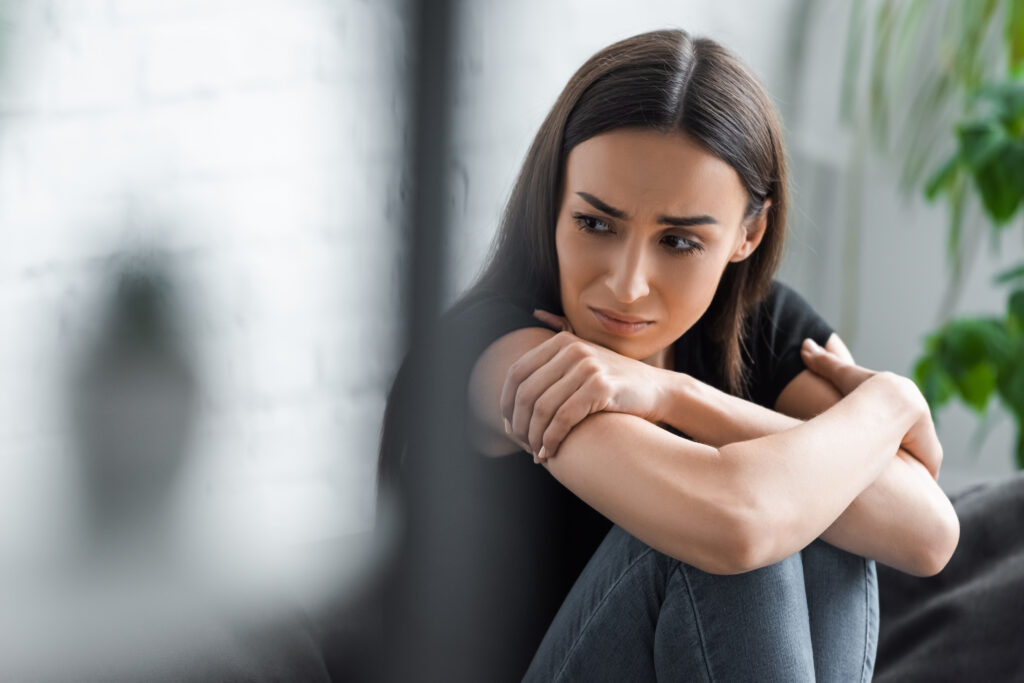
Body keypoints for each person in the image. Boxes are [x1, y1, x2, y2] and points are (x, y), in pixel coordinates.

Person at [377, 28, 960, 682]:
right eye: (596, 223)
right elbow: (734, 524)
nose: (626, 284)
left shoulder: (761, 326)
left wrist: (673, 394)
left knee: (820, 504)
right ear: (554, 201)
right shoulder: (499, 353)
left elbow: (929, 532)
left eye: (678, 242)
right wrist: (892, 403)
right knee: (748, 526)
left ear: (748, 233)